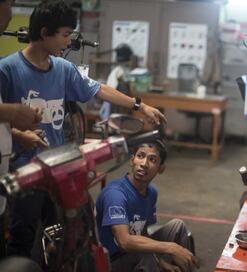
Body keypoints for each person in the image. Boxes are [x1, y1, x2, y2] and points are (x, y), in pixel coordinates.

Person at [0, 0, 166, 257]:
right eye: (65, 35)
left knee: (64, 236)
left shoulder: (64, 69)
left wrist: (139, 106)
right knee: (22, 237)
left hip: (57, 172)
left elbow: (99, 88)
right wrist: (19, 134)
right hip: (25, 173)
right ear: (45, 33)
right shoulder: (8, 70)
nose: (68, 42)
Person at [95, 140, 199, 272]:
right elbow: (124, 242)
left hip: (134, 254)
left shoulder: (151, 192)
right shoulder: (116, 194)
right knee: (145, 256)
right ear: (132, 160)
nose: (144, 164)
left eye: (152, 160)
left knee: (177, 227)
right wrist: (172, 248)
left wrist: (160, 261)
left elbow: (142, 232)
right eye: (140, 156)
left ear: (161, 168)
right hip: (112, 263)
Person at [0, 0, 43, 175]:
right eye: (8, 5)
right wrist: (12, 112)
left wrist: (16, 132)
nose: (11, 15)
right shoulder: (7, 66)